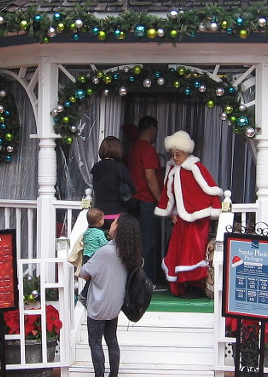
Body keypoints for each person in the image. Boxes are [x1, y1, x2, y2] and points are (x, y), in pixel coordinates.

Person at [78, 213, 142, 377]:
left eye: (114, 222)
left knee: (95, 341)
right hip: (115, 303)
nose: (111, 223)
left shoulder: (105, 251)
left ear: (119, 228)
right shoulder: (128, 252)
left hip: (99, 303)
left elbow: (84, 273)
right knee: (111, 340)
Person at [154, 131, 223, 298]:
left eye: (178, 154)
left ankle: (195, 286)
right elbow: (171, 194)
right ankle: (182, 284)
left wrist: (210, 210)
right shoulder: (174, 169)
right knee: (178, 251)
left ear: (186, 152)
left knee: (193, 252)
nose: (176, 157)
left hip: (197, 218)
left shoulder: (195, 168)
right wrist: (173, 212)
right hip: (182, 219)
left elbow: (208, 190)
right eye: (173, 154)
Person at [126, 116, 163, 286]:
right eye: (156, 130)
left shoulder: (133, 149)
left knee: (137, 242)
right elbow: (150, 178)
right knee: (148, 243)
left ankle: (136, 280)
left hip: (133, 202)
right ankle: (147, 282)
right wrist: (161, 201)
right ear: (152, 128)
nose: (157, 133)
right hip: (147, 201)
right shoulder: (147, 149)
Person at [91, 136, 136, 229]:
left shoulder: (96, 168)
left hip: (100, 217)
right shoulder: (119, 167)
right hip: (117, 216)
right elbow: (133, 189)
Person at [77, 208, 108, 307]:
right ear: (100, 221)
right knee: (95, 278)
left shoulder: (87, 232)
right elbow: (104, 244)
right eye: (103, 219)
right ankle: (84, 294)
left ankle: (90, 296)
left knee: (92, 278)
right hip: (94, 258)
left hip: (87, 257)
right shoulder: (99, 233)